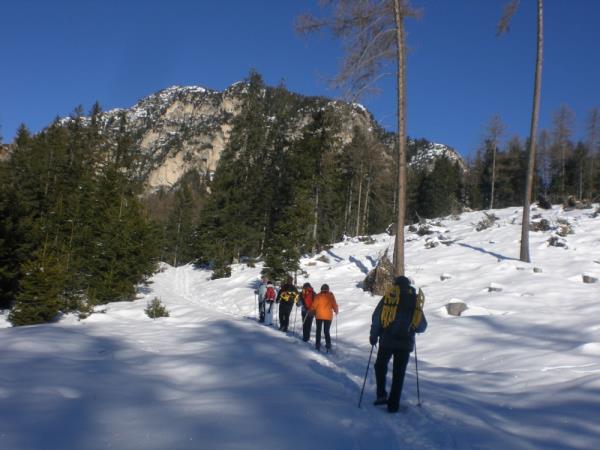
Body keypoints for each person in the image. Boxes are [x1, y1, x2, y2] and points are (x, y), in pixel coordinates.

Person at [369, 276, 427, 413]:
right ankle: (393, 405)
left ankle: (381, 394)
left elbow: (377, 318)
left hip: (387, 340)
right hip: (405, 343)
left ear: (395, 285)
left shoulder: (389, 297)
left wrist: (373, 336)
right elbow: (422, 326)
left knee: (380, 366)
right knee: (398, 374)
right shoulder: (415, 301)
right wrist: (413, 328)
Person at [311, 284, 338, 351]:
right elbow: (334, 304)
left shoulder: (318, 296)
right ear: (328, 289)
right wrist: (336, 310)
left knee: (318, 331)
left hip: (319, 316)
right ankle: (328, 345)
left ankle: (317, 344)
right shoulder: (331, 295)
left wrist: (312, 309)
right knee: (326, 331)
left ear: (321, 289)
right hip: (328, 316)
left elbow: (314, 305)